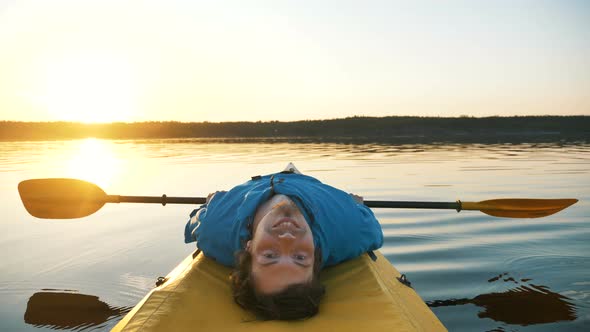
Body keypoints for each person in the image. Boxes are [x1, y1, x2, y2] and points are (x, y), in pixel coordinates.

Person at [184, 164, 383, 320]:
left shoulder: (215, 226)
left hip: (257, 182)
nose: (288, 240)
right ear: (315, 255)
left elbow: (198, 217)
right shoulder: (350, 227)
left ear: (249, 247)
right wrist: (357, 207)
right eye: (300, 257)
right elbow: (371, 225)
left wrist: (210, 203)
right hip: (308, 184)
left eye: (270, 256)